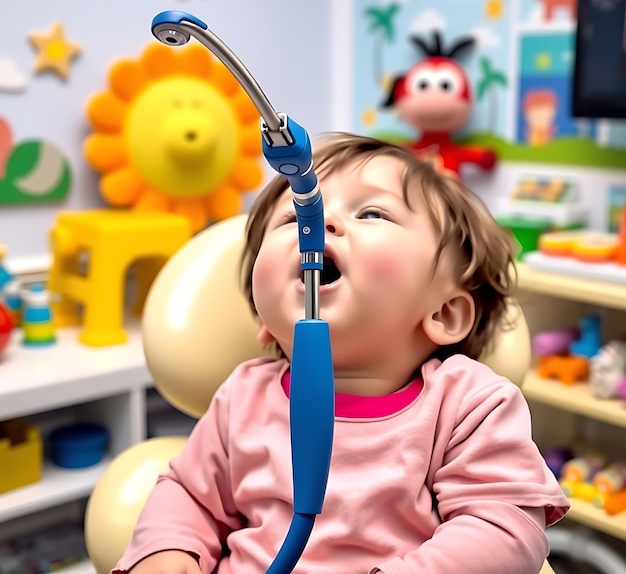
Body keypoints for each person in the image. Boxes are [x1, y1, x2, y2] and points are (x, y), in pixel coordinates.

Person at [115, 133, 569, 574]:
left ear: (445, 313)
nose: (320, 221)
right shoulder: (243, 396)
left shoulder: (468, 405)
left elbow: (504, 528)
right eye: (293, 217)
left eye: (371, 213)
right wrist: (166, 549)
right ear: (263, 320)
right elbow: (190, 495)